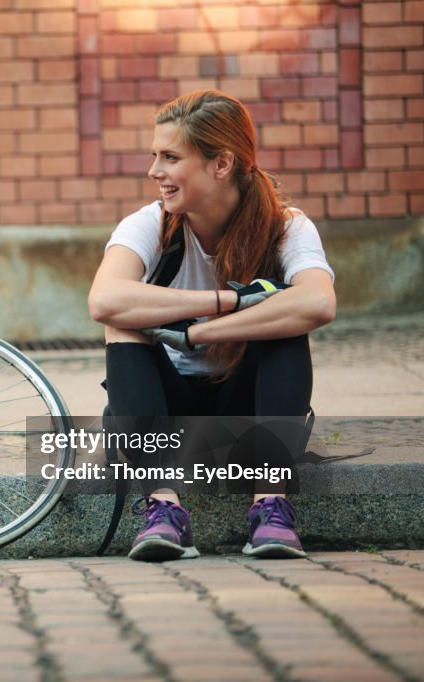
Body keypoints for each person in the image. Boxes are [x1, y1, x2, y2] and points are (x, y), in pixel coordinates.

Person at [88, 90, 336, 561]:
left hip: (249, 421)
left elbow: (319, 302)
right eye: (154, 156)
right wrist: (226, 301)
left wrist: (199, 332)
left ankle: (270, 507)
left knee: (287, 316)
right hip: (166, 422)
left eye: (170, 157)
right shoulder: (149, 224)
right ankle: (163, 511)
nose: (154, 171)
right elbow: (104, 299)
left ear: (221, 164)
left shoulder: (286, 226)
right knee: (122, 324)